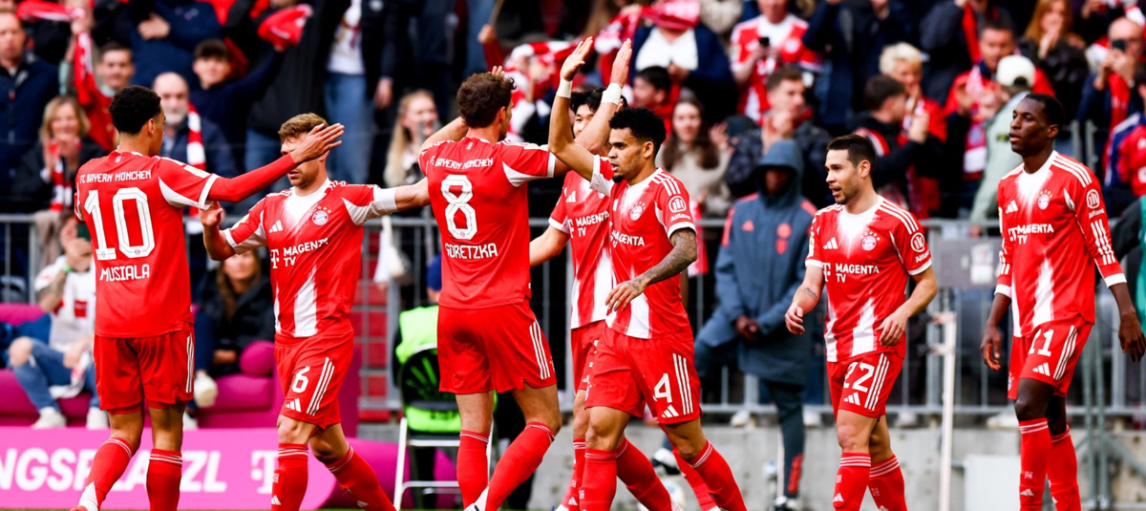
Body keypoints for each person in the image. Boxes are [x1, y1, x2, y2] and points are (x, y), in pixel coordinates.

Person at [69, 85, 343, 511]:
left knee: (121, 432)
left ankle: (88, 499)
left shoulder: (86, 174)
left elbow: (84, 217)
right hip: (161, 320)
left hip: (109, 323)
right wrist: (295, 156)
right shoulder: (160, 170)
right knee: (166, 434)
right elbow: (232, 190)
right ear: (152, 125)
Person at [548, 41, 747, 511]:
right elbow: (561, 146)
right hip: (616, 337)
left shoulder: (667, 189)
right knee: (598, 431)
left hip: (661, 337)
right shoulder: (610, 183)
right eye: (610, 147)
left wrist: (643, 279)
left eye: (619, 147)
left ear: (647, 148)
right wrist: (563, 81)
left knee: (688, 443)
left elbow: (687, 246)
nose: (609, 154)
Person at [200, 112, 425, 511]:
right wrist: (209, 228)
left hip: (326, 340)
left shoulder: (348, 200)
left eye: (300, 154)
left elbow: (415, 195)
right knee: (326, 446)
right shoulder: (270, 207)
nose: (291, 163)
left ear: (322, 153)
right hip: (287, 345)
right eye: (286, 154)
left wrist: (461, 153)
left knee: (289, 431)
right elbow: (220, 251)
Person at [531, 43, 682, 511]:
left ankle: (577, 501)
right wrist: (494, 264)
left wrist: (613, 87)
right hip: (582, 314)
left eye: (588, 119)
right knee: (601, 430)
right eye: (575, 120)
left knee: (587, 420)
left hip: (616, 313)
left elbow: (574, 146)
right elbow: (551, 242)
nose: (580, 128)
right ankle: (662, 502)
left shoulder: (615, 177)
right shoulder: (576, 183)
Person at [979, 93, 1146, 511]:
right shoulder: (1006, 187)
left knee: (1026, 405)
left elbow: (1104, 249)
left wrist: (1126, 311)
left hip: (1067, 313)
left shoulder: (1076, 178)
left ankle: (1030, 506)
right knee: (1052, 419)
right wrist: (992, 320)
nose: (1015, 125)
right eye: (1014, 117)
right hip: (1024, 320)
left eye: (1027, 119)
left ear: (1051, 131)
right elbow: (1008, 257)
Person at [418, 66, 573, 511]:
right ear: (504, 114)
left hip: (453, 309)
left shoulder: (437, 158)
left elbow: (428, 145)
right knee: (544, 420)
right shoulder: (509, 158)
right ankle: (484, 507)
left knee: (473, 430)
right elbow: (568, 153)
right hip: (502, 307)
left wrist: (471, 111)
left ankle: (473, 506)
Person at [784, 134, 938, 511]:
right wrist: (797, 305)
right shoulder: (822, 221)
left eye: (837, 169)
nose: (828, 178)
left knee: (850, 435)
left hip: (878, 345)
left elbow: (928, 283)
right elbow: (811, 285)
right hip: (838, 346)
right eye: (826, 170)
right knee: (874, 443)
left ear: (863, 168)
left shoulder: (897, 221)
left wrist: (902, 313)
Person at [697, 139, 815, 511]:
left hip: (781, 330)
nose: (775, 177)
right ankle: (674, 451)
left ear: (794, 175)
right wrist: (737, 316)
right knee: (696, 354)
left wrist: (764, 323)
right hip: (735, 320)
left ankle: (789, 494)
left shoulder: (808, 216)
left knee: (789, 407)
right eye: (769, 171)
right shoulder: (741, 210)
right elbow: (725, 266)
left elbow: (806, 282)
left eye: (783, 171)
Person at [8, 214, 102, 429]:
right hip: (61, 357)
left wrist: (84, 343)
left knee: (105, 350)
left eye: (74, 229)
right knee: (19, 348)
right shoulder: (52, 272)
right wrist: (68, 266)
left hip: (97, 359)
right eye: (64, 230)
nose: (68, 234)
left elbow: (121, 321)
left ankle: (99, 412)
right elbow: (46, 304)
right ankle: (49, 411)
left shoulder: (107, 271)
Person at [945, 17, 1055, 187]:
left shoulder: (1032, 77)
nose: (997, 52)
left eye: (1003, 45)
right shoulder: (965, 83)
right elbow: (948, 134)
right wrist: (962, 113)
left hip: (1022, 170)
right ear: (980, 45)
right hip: (974, 174)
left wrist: (1007, 108)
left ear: (1013, 45)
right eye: (991, 45)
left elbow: (1050, 120)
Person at [13, 97, 105, 265]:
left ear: (80, 122)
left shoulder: (95, 153)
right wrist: (46, 174)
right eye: (58, 119)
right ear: (50, 124)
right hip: (42, 240)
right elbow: (19, 195)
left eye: (70, 118)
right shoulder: (35, 155)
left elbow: (100, 193)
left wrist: (74, 168)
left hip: (85, 237)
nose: (65, 125)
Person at [802, 0, 916, 135]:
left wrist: (883, 15)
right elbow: (812, 41)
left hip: (879, 104)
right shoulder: (839, 7)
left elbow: (907, 49)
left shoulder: (894, 9)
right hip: (839, 103)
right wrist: (829, 5)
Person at [725, 66, 831, 207]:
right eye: (790, 93)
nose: (799, 100)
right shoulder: (750, 139)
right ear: (771, 97)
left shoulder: (818, 138)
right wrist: (767, 152)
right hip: (757, 219)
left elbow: (819, 186)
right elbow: (736, 185)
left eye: (802, 94)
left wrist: (788, 146)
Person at [191, 249, 274, 409]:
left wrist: (235, 352)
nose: (240, 263)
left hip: (244, 352)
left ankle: (190, 407)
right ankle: (201, 377)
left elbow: (269, 331)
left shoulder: (269, 290)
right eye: (233, 258)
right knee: (201, 321)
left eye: (246, 256)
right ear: (224, 266)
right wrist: (210, 351)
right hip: (213, 350)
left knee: (192, 360)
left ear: (256, 261)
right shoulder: (212, 286)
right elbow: (205, 326)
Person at [853, 75, 943, 217]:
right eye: (903, 100)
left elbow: (936, 165)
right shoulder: (862, 137)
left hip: (905, 220)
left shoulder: (900, 132)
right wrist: (913, 144)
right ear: (890, 104)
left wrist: (921, 133)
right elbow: (874, 172)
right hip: (876, 224)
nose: (906, 106)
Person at [629, 3, 735, 120]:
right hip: (643, 118)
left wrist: (688, 75)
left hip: (694, 121)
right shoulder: (643, 34)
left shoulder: (705, 38)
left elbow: (725, 82)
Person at [0, 10, 59, 209]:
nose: (9, 38)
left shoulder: (46, 73)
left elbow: (54, 118)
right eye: (2, 33)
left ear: (24, 35)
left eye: (14, 32)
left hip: (33, 167)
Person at [728, 0, 821, 125]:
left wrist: (782, 64)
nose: (772, 3)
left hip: (793, 120)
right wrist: (752, 59)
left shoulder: (804, 31)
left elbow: (810, 82)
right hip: (750, 116)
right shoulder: (742, 31)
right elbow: (733, 81)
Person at [969, 55, 1035, 223]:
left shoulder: (1012, 119)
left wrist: (977, 218)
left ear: (999, 86)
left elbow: (999, 173)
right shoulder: (1038, 113)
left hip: (1012, 215)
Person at [190, 39, 283, 152]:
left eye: (218, 61)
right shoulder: (187, 98)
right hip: (195, 162)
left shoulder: (235, 93)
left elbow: (262, 77)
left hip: (230, 165)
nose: (212, 66)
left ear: (229, 67)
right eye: (206, 60)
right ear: (195, 66)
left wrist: (278, 51)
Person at [1079, 17, 1144, 168]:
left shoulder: (1144, 78)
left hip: (1138, 165)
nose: (1127, 47)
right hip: (1102, 163)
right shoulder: (1097, 78)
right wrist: (1100, 82)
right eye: (1119, 42)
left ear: (1142, 44)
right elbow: (1081, 122)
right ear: (1109, 44)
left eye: (1133, 40)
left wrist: (1131, 81)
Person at [919, 0, 1013, 103]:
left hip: (995, 85)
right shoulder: (947, 9)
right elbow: (930, 42)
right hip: (949, 92)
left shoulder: (1000, 14)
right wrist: (958, 5)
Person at [153, 72, 239, 180]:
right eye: (166, 97)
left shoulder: (208, 132)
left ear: (188, 97)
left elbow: (227, 175)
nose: (174, 104)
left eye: (180, 96)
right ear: (154, 99)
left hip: (194, 195)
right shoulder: (142, 131)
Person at [658, 95, 731, 218]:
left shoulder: (722, 157)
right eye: (681, 118)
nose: (687, 124)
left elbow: (729, 203)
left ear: (701, 121)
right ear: (673, 123)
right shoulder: (659, 155)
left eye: (693, 118)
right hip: (666, 231)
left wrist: (707, 205)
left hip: (706, 231)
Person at [1018, 0, 1088, 116]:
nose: (1056, 18)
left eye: (1061, 14)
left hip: (1064, 113)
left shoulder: (1074, 47)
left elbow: (1074, 86)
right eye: (1050, 12)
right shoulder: (1025, 45)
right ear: (1040, 15)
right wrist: (1043, 52)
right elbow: (1027, 81)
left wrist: (1054, 51)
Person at [130, 0, 221, 88]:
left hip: (192, 92)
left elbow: (214, 42)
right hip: (147, 91)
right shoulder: (146, 8)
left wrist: (170, 31)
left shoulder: (203, 8)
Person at [384, 90, 440, 188]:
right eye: (419, 113)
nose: (428, 117)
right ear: (405, 120)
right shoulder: (401, 159)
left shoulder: (450, 151)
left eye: (431, 111)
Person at [631, 66, 676, 134]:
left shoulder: (668, 125)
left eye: (642, 88)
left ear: (659, 94)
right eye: (635, 86)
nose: (635, 92)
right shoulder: (628, 111)